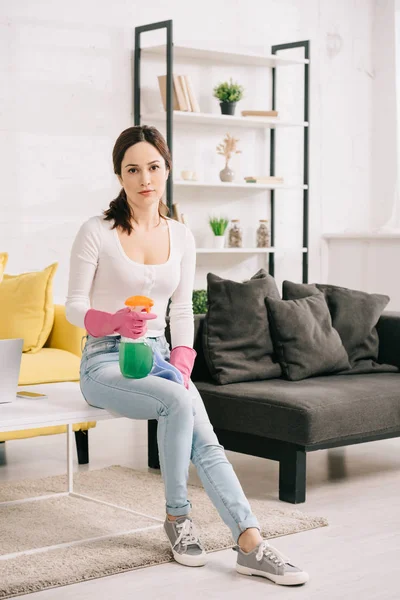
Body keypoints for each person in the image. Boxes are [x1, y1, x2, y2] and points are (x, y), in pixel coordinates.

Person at [66, 125, 308, 586]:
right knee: (178, 403)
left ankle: (251, 541)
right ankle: (177, 519)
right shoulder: (96, 231)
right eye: (132, 169)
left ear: (166, 168)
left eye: (153, 167)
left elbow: (181, 308)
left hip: (157, 356)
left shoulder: (181, 235)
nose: (144, 179)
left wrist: (181, 357)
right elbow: (75, 306)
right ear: (119, 174)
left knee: (207, 439)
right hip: (104, 361)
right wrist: (115, 320)